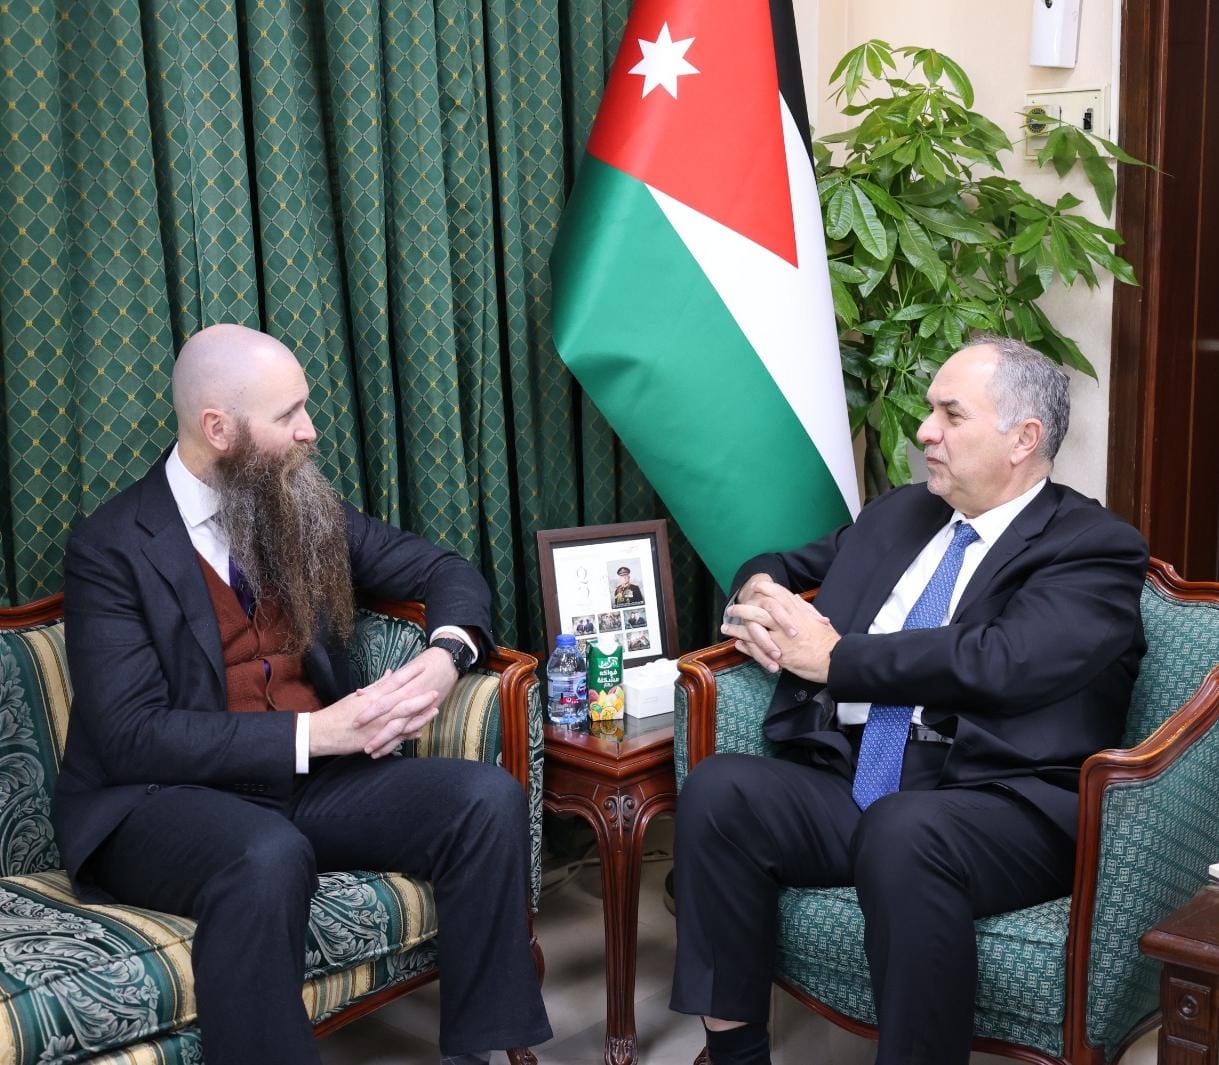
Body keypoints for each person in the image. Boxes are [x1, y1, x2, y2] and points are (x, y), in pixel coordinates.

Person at [53, 324, 551, 1065]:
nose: (309, 430)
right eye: (287, 414)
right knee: (269, 854)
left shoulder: (296, 506)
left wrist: (447, 655)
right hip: (160, 802)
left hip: (308, 784)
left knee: (485, 800)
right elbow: (131, 734)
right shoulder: (110, 547)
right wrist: (317, 734)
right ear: (218, 428)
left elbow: (443, 569)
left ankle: (476, 1054)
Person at [669, 335, 1148, 1065]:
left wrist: (838, 659)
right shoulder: (903, 514)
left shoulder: (1093, 546)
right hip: (860, 777)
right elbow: (782, 563)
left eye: (950, 415)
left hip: (1004, 803)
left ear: (1023, 439)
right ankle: (736, 1056)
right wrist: (758, 590)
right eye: (930, 411)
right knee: (719, 789)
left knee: (904, 829)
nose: (924, 431)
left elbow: (1004, 659)